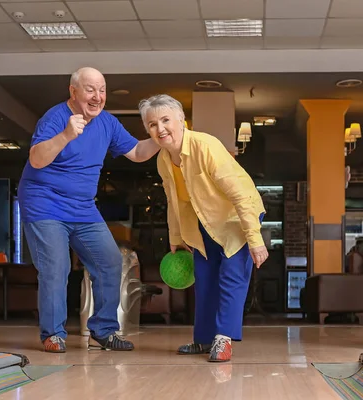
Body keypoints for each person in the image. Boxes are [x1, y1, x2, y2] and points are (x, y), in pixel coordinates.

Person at [18, 67, 161, 353]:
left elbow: (136, 153)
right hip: (45, 202)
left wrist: (163, 136)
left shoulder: (107, 123)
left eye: (102, 90)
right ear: (73, 92)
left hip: (82, 207)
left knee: (110, 261)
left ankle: (104, 331)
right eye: (90, 90)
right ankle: (53, 334)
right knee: (56, 267)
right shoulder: (56, 117)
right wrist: (67, 135)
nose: (97, 97)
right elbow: (36, 159)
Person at [138, 93, 268, 362]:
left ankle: (223, 339)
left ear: (181, 120)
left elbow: (241, 194)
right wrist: (175, 236)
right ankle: (204, 340)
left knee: (231, 275)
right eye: (152, 124)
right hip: (205, 220)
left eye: (165, 120)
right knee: (205, 277)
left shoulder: (206, 146)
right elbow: (174, 200)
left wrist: (254, 238)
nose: (160, 129)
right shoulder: (163, 160)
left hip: (237, 217)